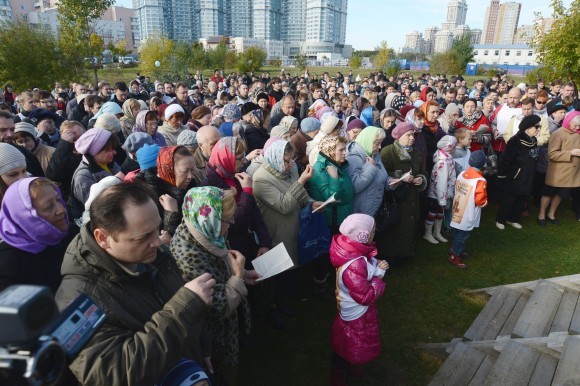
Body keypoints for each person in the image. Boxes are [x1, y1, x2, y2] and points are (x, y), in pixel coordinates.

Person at [55, 183, 215, 385]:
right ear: (103, 238)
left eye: (157, 229)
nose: (157, 241)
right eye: (144, 237)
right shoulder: (75, 301)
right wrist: (185, 307)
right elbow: (114, 373)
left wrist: (202, 347)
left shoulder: (155, 255)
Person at [170, 186, 259, 385]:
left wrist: (242, 275)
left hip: (227, 324)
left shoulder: (205, 231)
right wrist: (237, 275)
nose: (232, 223)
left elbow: (220, 270)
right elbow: (216, 307)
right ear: (209, 219)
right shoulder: (189, 255)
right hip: (214, 338)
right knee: (222, 375)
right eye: (228, 219)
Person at [329, 213, 388, 385]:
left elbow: (365, 272)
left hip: (353, 310)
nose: (375, 233)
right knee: (348, 342)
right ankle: (337, 374)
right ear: (363, 237)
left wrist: (376, 267)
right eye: (373, 231)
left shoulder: (355, 254)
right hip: (356, 313)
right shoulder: (354, 264)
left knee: (354, 340)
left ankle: (354, 361)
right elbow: (366, 296)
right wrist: (380, 279)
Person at [200, 137, 272, 260]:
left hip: (250, 245)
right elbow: (234, 223)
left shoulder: (234, 175)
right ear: (226, 158)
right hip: (232, 252)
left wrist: (265, 243)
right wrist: (247, 192)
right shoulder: (208, 187)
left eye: (244, 156)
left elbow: (254, 212)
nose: (244, 161)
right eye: (239, 158)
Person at [0, 177, 70, 293]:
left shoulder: (69, 232)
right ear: (23, 217)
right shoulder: (8, 266)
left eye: (58, 200)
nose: (61, 210)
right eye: (48, 207)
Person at [379, 122, 427, 264]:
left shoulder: (416, 152)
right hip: (395, 199)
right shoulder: (388, 152)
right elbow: (382, 174)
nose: (412, 138)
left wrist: (421, 179)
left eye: (413, 134)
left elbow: (423, 171)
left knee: (409, 224)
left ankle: (406, 253)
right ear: (399, 136)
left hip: (412, 197)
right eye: (408, 135)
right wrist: (400, 177)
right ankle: (391, 255)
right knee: (395, 226)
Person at [137, 146, 196, 235]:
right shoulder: (148, 195)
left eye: (192, 170)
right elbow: (159, 240)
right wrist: (171, 213)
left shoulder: (192, 187)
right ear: (168, 170)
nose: (190, 176)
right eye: (185, 171)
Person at [496, 115, 540, 230]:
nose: (538, 129)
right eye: (536, 126)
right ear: (528, 128)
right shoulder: (515, 140)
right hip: (515, 176)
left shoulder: (533, 140)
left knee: (522, 198)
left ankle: (513, 219)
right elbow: (505, 159)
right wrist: (502, 175)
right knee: (509, 198)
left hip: (528, 175)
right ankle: (500, 219)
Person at [69, 128, 122, 220]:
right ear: (96, 151)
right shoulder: (83, 177)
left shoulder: (108, 163)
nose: (115, 152)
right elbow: (95, 209)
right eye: (110, 149)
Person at [449, 151, 488, 269]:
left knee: (456, 232)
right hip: (468, 212)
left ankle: (458, 250)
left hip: (457, 208)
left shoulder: (461, 174)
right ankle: (454, 255)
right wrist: (485, 203)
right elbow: (480, 200)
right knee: (463, 235)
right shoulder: (480, 180)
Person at [346, 126, 396, 217]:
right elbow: (354, 187)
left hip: (374, 209)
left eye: (380, 143)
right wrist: (370, 167)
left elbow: (381, 176)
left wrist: (390, 182)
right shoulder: (353, 157)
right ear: (367, 141)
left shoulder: (373, 154)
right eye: (377, 143)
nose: (380, 147)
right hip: (359, 214)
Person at [541, 112, 580, 223]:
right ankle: (541, 214)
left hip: (571, 172)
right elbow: (551, 154)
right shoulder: (558, 133)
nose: (577, 128)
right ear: (568, 122)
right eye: (575, 125)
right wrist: (571, 153)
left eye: (579, 126)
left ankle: (551, 214)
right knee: (548, 194)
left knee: (561, 194)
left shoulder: (578, 133)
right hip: (557, 171)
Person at [423, 136, 457, 244]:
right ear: (449, 147)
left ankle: (437, 232)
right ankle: (427, 233)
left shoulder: (449, 160)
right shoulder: (443, 163)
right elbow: (441, 182)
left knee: (440, 213)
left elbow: (451, 178)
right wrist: (443, 199)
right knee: (432, 213)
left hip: (443, 194)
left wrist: (449, 194)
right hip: (436, 195)